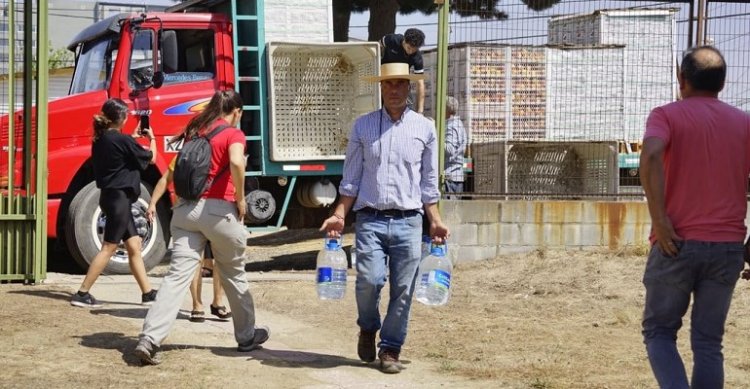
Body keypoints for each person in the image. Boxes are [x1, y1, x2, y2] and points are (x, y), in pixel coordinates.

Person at [319, 62, 449, 374]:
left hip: (409, 221)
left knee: (403, 288)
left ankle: (390, 349)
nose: (393, 90)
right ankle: (367, 326)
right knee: (369, 280)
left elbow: (429, 182)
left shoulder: (425, 128)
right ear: (380, 87)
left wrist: (435, 219)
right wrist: (339, 213)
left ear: (408, 88)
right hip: (371, 219)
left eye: (400, 84)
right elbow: (350, 178)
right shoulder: (362, 127)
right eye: (388, 84)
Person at [640, 46, 750, 389]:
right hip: (728, 246)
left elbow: (652, 154)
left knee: (659, 332)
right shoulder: (744, 122)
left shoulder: (665, 115)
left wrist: (659, 220)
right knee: (708, 342)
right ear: (723, 82)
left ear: (681, 79)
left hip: (676, 242)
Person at [134, 90, 268, 365]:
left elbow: (170, 175)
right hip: (220, 212)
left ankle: (149, 338)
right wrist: (240, 199)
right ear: (237, 112)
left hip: (184, 212)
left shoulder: (195, 134)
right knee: (233, 273)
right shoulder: (233, 135)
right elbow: (234, 162)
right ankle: (245, 337)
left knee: (175, 278)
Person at [70, 98, 158, 308]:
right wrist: (152, 138)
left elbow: (119, 152)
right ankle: (82, 293)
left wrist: (131, 138)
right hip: (120, 200)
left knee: (134, 245)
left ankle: (147, 293)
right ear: (122, 118)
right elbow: (151, 158)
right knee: (109, 247)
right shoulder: (122, 141)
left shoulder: (101, 139)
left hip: (112, 198)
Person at [144, 156, 231, 323]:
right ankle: (207, 303)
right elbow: (166, 179)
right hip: (209, 211)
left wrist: (153, 203)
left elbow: (165, 179)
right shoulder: (195, 155)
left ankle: (204, 304)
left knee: (207, 258)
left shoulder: (186, 154)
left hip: (198, 211)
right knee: (210, 258)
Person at [380, 28, 426, 114]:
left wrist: (420, 111)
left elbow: (420, 83)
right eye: (409, 48)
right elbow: (378, 46)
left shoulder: (417, 57)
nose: (410, 51)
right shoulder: (392, 40)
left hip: (402, 83)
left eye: (414, 50)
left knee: (408, 110)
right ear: (404, 40)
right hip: (384, 80)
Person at [443, 96, 468, 195]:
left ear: (446, 110)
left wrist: (435, 141)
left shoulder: (451, 126)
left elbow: (449, 150)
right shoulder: (459, 124)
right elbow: (466, 151)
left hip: (450, 177)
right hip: (457, 176)